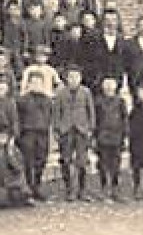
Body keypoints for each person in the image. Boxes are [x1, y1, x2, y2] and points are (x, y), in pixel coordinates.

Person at [53, 64, 95, 201]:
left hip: (81, 130)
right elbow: (56, 112)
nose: (73, 79)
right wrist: (57, 129)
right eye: (70, 77)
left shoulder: (86, 92)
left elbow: (91, 111)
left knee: (82, 162)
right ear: (66, 78)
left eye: (76, 76)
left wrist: (90, 128)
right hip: (66, 130)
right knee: (65, 160)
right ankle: (69, 189)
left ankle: (82, 190)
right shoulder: (60, 93)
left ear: (80, 78)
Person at [17, 68, 56, 200]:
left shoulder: (48, 100)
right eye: (33, 82)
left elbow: (50, 116)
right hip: (28, 133)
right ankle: (29, 187)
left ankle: (37, 186)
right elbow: (18, 118)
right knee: (28, 161)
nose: (36, 85)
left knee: (41, 160)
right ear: (28, 84)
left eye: (38, 83)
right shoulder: (22, 100)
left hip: (43, 133)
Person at [93, 75, 128, 201]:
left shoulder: (120, 101)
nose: (108, 88)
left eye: (111, 85)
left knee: (116, 164)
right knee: (102, 164)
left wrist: (125, 135)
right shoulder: (98, 102)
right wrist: (94, 136)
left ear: (115, 87)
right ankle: (103, 187)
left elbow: (125, 119)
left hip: (117, 136)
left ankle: (115, 188)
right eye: (106, 86)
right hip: (102, 136)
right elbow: (95, 120)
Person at [0, 124, 32, 208]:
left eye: (3, 137)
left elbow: (18, 168)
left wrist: (10, 154)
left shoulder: (15, 150)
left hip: (13, 184)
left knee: (17, 195)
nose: (1, 139)